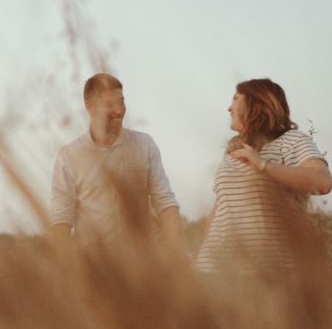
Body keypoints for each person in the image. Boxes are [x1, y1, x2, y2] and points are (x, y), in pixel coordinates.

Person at [196, 78, 332, 273]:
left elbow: (322, 182)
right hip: (213, 272)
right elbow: (220, 211)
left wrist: (263, 165)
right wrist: (198, 260)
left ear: (255, 103)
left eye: (235, 99)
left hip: (267, 274)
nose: (228, 108)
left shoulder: (291, 140)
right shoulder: (234, 151)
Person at [50, 73, 186, 255]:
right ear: (90, 106)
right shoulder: (69, 156)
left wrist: (178, 256)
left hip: (145, 266)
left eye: (121, 102)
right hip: (95, 268)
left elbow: (165, 202)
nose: (120, 110)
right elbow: (61, 219)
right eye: (110, 105)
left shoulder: (144, 144)